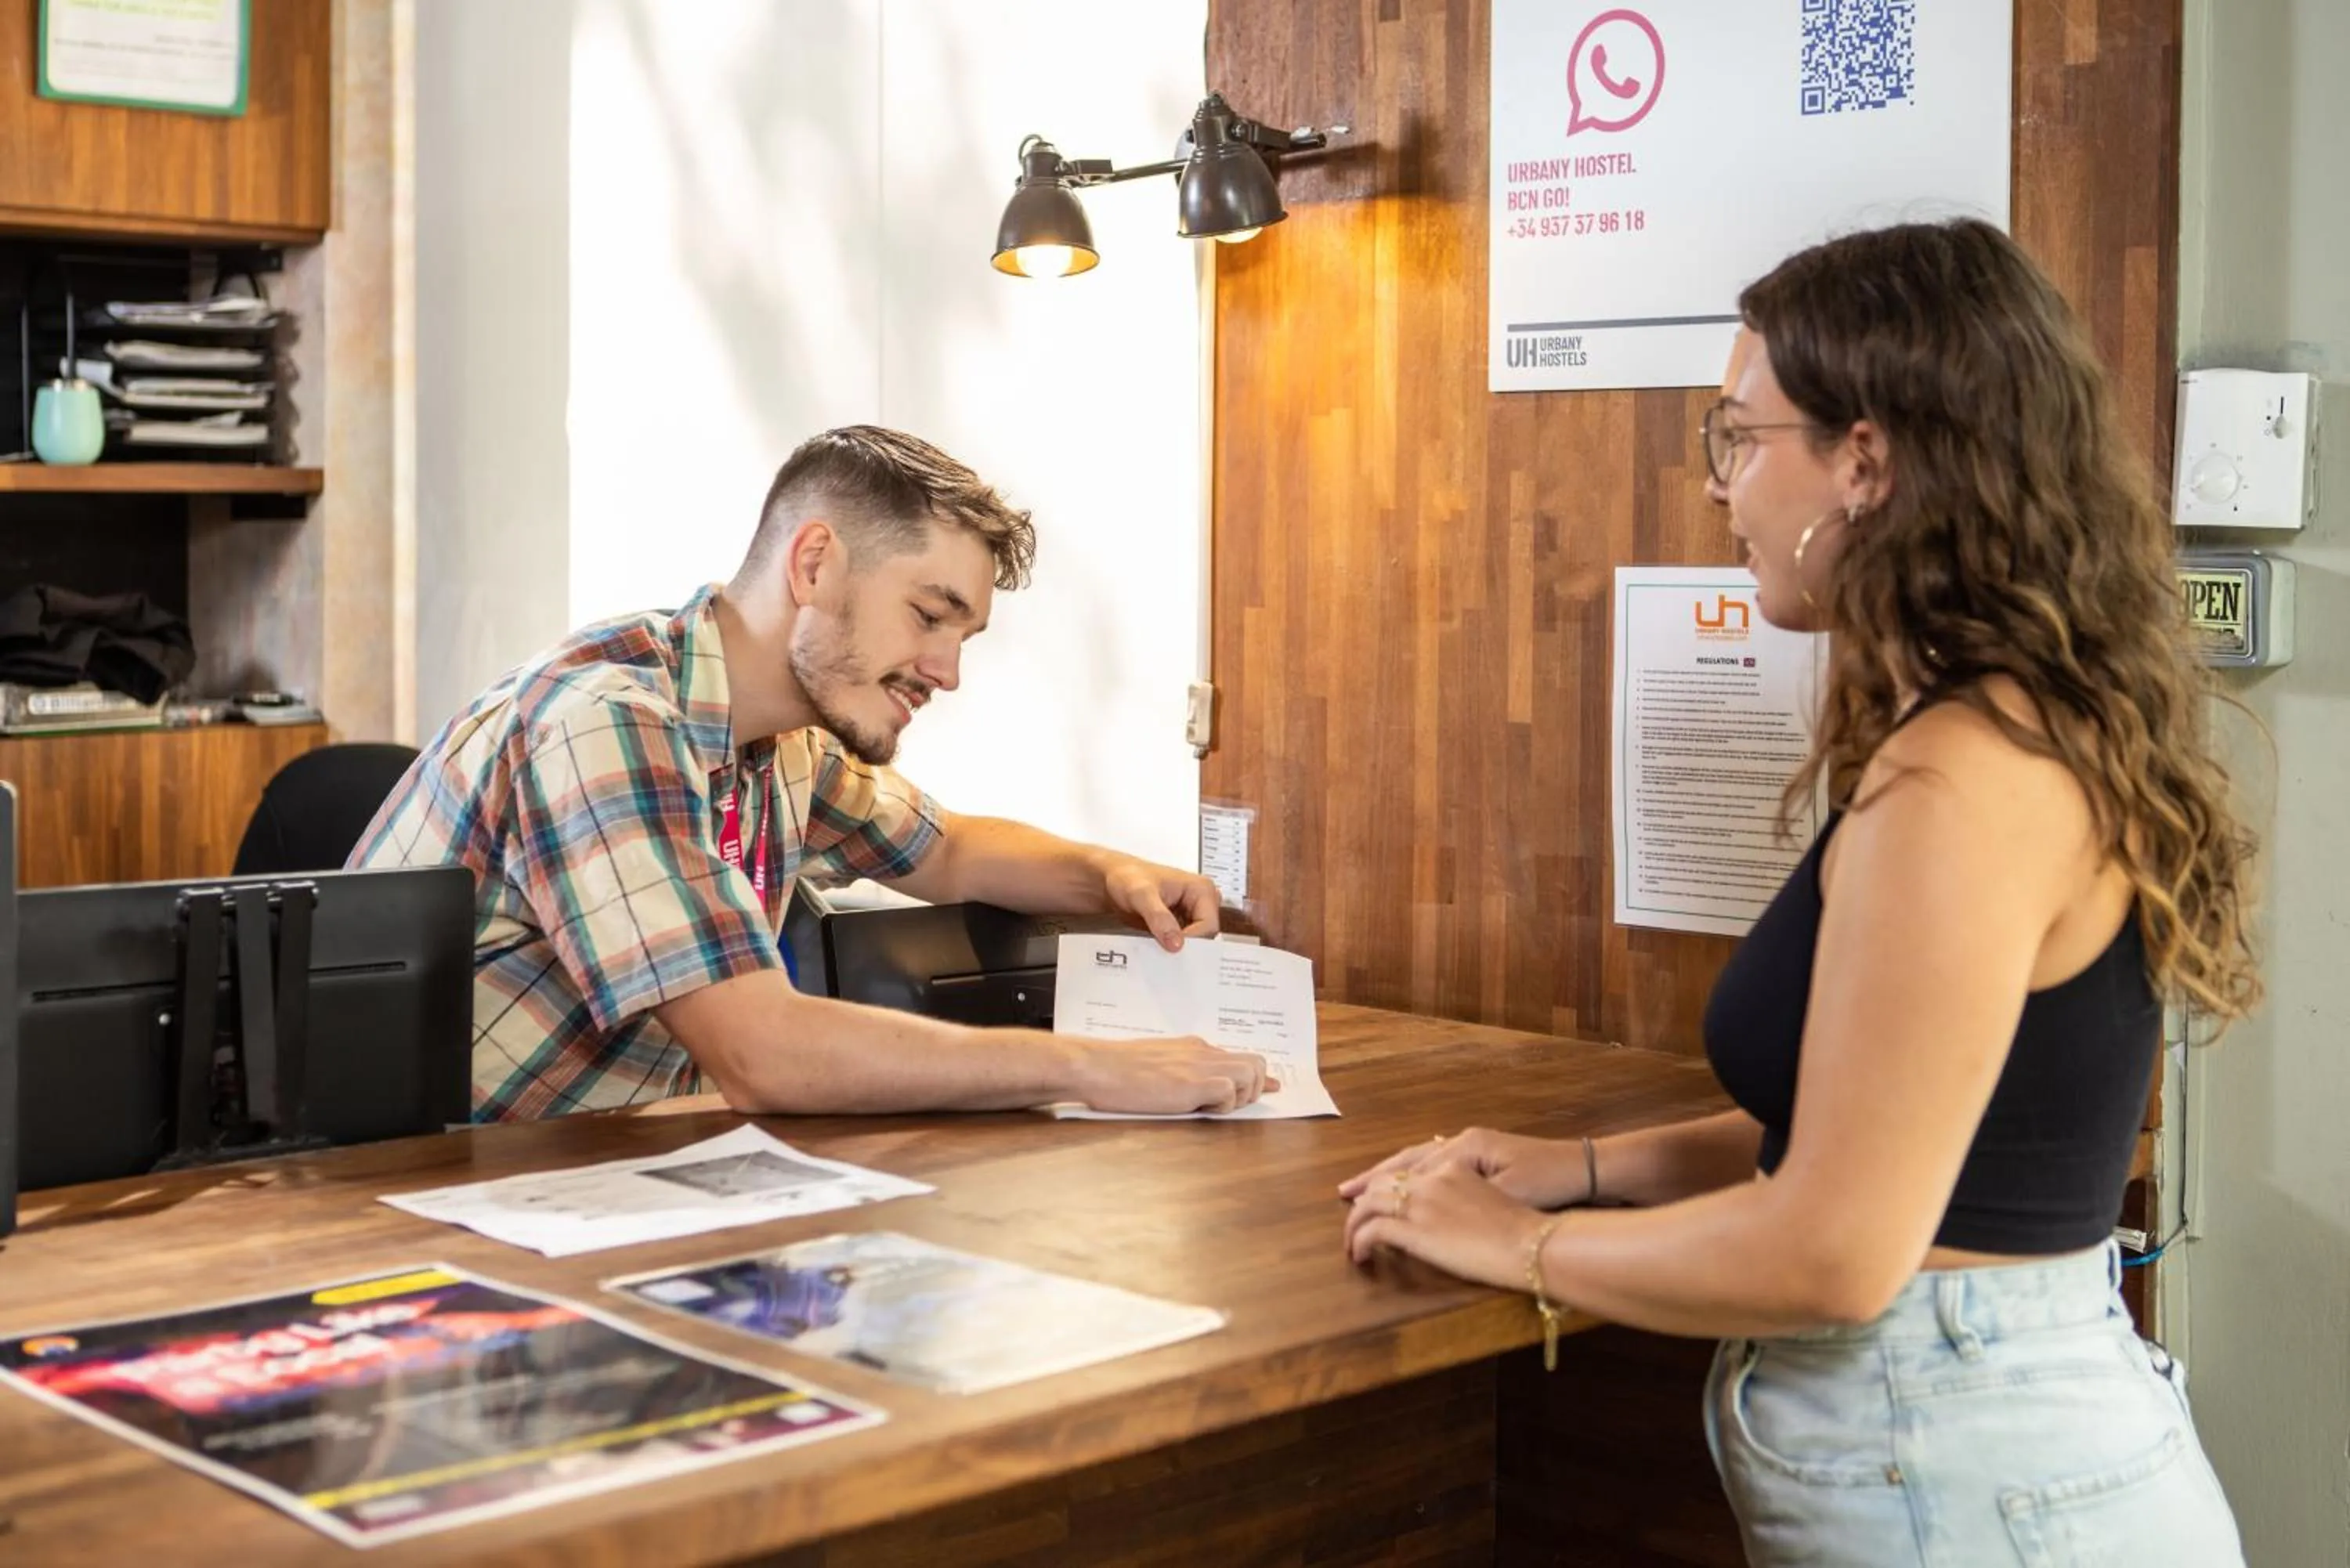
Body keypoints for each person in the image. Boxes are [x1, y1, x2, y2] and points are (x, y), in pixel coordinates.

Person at [1337, 221, 2254, 1564]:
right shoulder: (2011, 730)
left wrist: (1512, 1243)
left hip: (1971, 1478)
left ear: (1865, 461)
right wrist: (1582, 1169)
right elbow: (1892, 1132)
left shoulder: (1959, 779)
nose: (1720, 488)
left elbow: (1835, 1248)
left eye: (1738, 437)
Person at [354, 425, 1270, 1122]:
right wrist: (1091, 1067)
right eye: (928, 615)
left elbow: (946, 850)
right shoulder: (606, 723)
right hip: (414, 1206)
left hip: (584, 1181)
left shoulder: (785, 739)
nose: (947, 672)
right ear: (815, 563)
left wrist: (1111, 875)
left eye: (963, 636)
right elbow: (765, 1054)